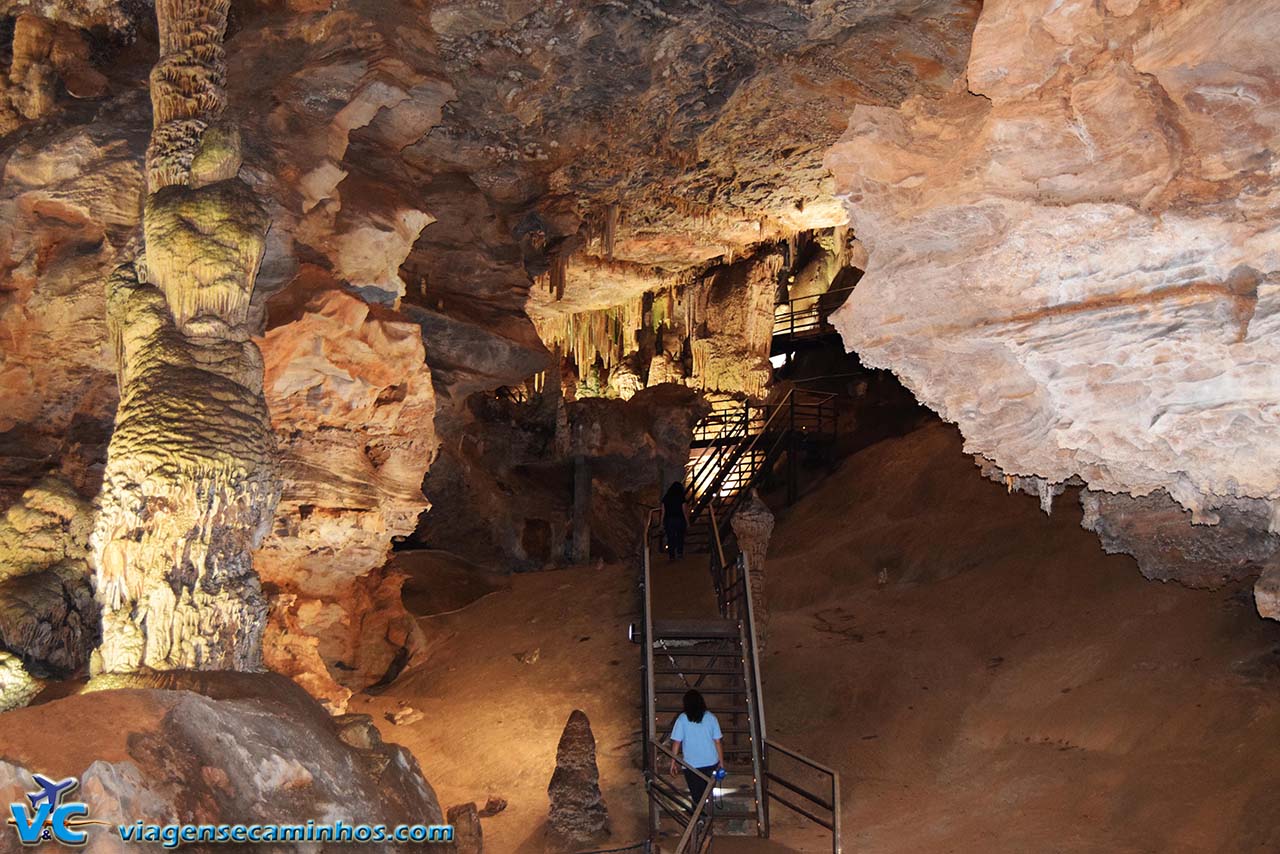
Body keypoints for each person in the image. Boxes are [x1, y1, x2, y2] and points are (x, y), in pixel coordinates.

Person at [667, 689, 724, 812]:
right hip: (710, 762)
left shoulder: (682, 719)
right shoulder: (711, 718)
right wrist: (721, 762)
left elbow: (677, 742)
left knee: (696, 795)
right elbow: (717, 741)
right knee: (706, 793)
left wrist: (673, 762)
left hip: (691, 765)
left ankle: (699, 819)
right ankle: (705, 817)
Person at [660, 481, 688, 561]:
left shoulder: (666, 498)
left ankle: (671, 555)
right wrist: (687, 522)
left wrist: (661, 523)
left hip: (669, 520)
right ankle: (679, 553)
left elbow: (663, 512)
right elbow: (684, 511)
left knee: (670, 537)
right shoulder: (681, 497)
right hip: (679, 519)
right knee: (680, 536)